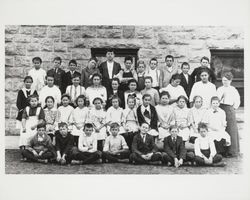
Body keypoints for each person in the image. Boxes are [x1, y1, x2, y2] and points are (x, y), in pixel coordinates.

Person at [217, 71, 241, 157]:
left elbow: (237, 101)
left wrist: (232, 109)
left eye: (226, 80)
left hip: (229, 109)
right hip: (220, 108)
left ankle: (231, 151)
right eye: (223, 80)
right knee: (222, 128)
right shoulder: (219, 89)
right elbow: (216, 100)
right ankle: (222, 150)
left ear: (230, 81)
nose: (225, 82)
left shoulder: (233, 90)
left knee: (231, 130)